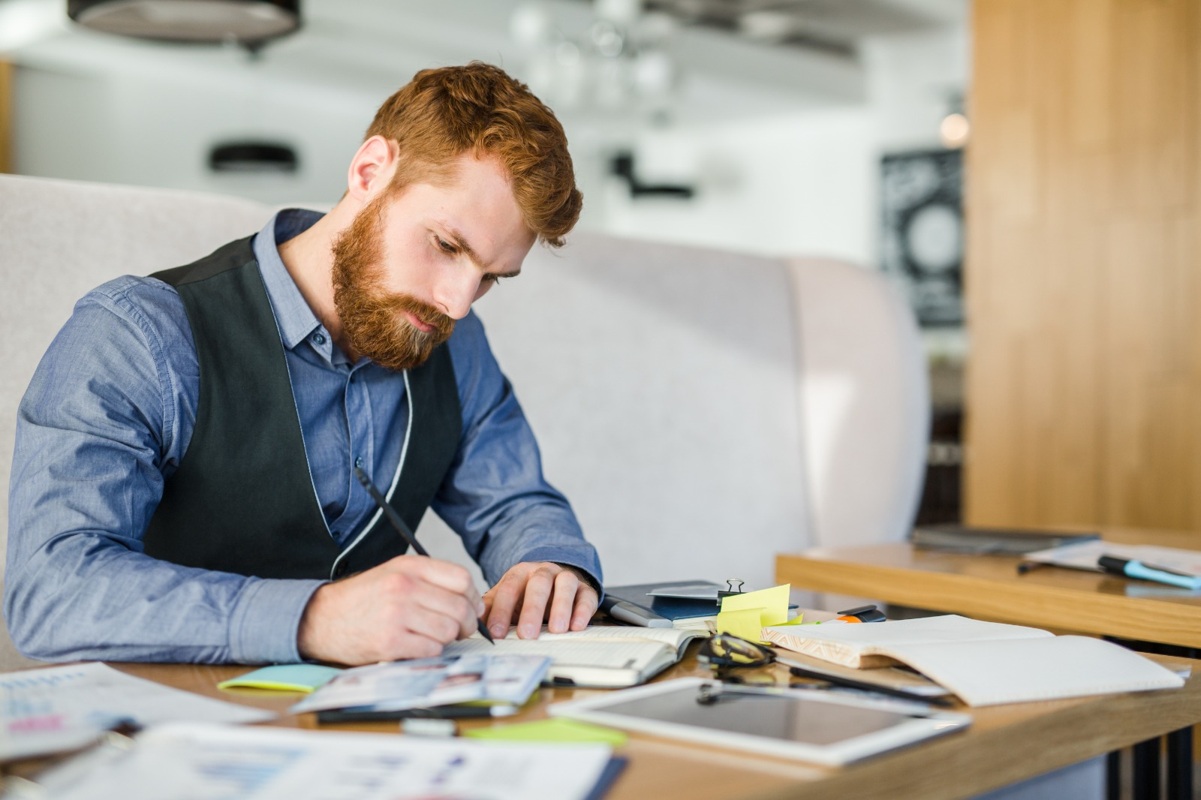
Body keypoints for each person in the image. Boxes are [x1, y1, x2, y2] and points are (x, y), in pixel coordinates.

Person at [4, 62, 602, 666]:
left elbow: (513, 503)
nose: (456, 303)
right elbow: (50, 589)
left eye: (491, 278)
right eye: (447, 246)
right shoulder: (137, 333)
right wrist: (314, 619)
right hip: (168, 726)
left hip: (378, 730)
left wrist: (549, 562)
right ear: (371, 171)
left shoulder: (456, 345)